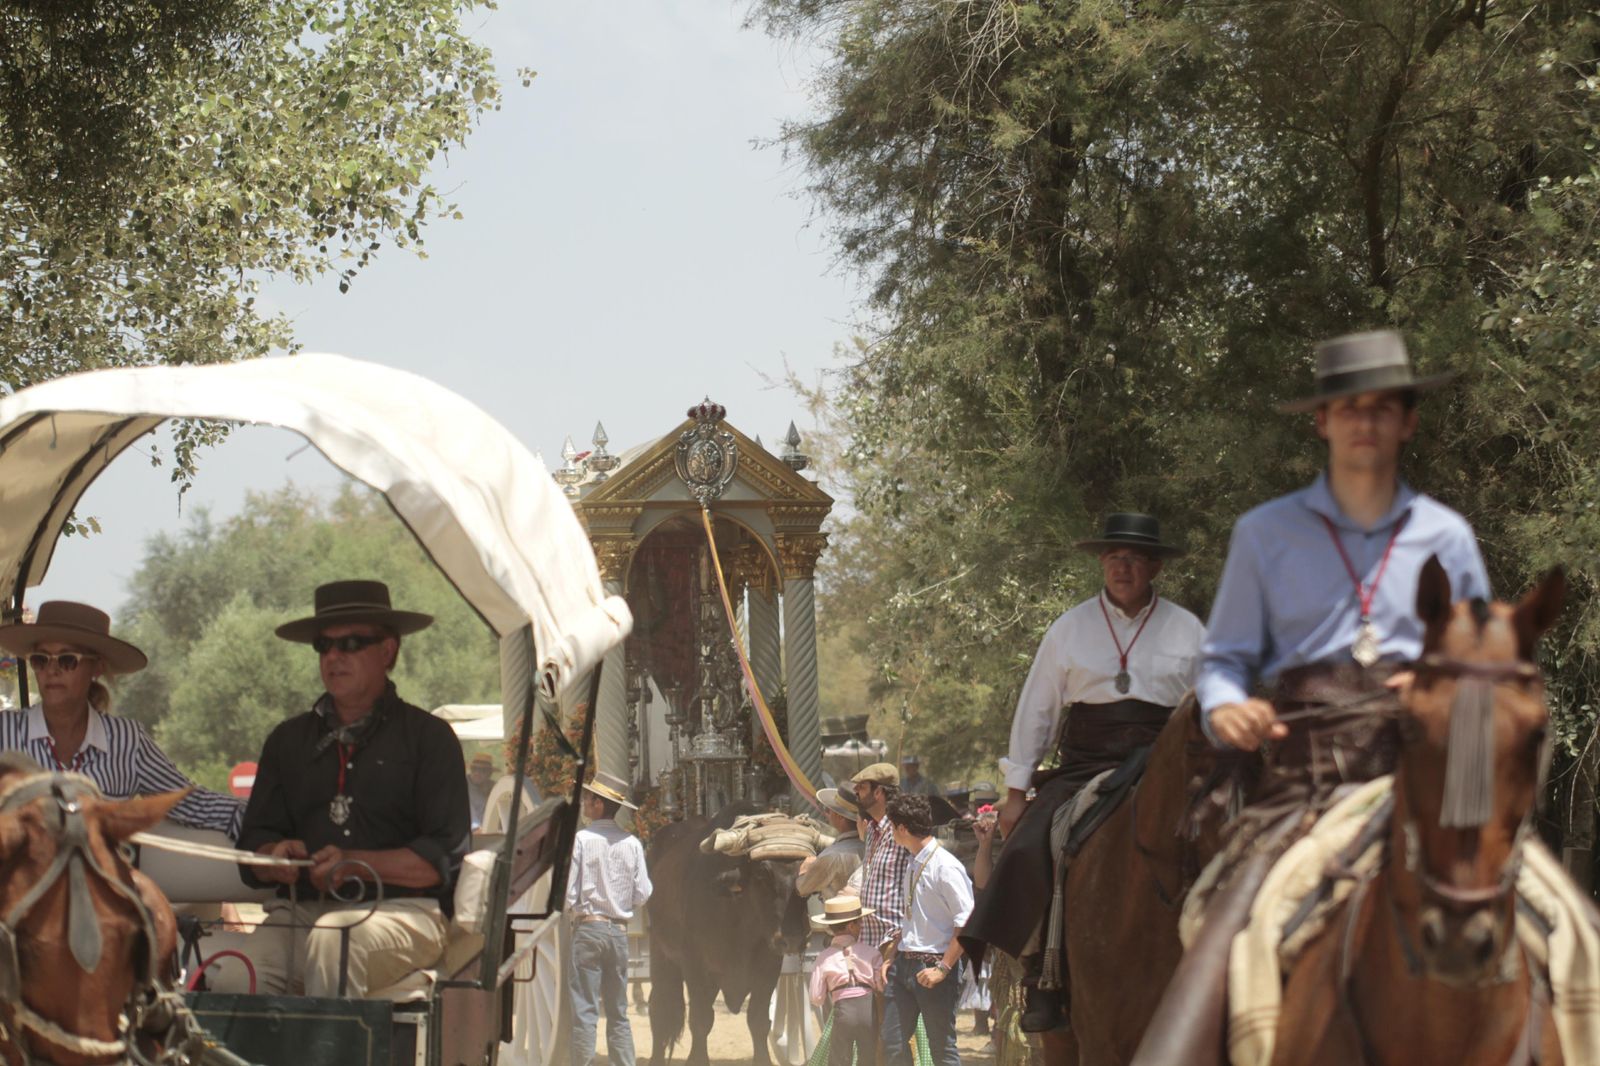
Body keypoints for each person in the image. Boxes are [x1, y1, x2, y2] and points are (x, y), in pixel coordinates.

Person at [1139, 330, 1491, 1057]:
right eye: (1349, 408)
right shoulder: (1265, 534)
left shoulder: (1448, 537)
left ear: (1408, 420)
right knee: (1215, 930)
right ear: (1322, 422)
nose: (1366, 421)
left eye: (1383, 407)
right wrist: (1227, 703)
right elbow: (1224, 662)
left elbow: (1483, 674)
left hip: (1426, 781)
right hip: (1303, 785)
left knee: (1567, 931)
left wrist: (1439, 683)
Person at [963, 512, 1203, 1031]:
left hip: (1169, 758)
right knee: (1027, 846)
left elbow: (1215, 706)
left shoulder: (1189, 628)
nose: (1123, 567)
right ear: (1101, 562)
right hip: (1088, 759)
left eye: (1135, 558)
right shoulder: (1068, 628)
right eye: (1115, 557)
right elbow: (1039, 711)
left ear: (1154, 567)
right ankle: (1039, 976)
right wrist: (1016, 792)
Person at [214, 580, 471, 998]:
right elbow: (254, 845)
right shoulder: (287, 740)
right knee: (232, 981)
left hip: (405, 914)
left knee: (335, 940)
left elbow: (438, 861)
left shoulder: (430, 738)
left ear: (387, 651)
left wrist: (352, 863)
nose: (333, 657)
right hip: (299, 914)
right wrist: (274, 858)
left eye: (350, 643)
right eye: (323, 645)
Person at [0, 600, 243, 837]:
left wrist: (264, 821)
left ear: (96, 669)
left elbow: (194, 804)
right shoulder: (4, 732)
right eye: (40, 660)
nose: (51, 671)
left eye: (67, 660)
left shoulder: (127, 740)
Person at [566, 771, 651, 1066]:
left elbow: (569, 892)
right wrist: (621, 904)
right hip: (617, 931)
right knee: (618, 1012)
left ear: (599, 804)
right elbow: (643, 893)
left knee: (585, 1011)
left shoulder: (582, 840)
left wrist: (577, 908)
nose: (586, 803)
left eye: (589, 799)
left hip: (589, 928)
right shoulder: (632, 843)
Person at [883, 794, 974, 1066]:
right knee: (892, 1044)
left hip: (935, 967)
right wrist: (891, 955)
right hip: (904, 965)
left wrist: (943, 969)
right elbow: (916, 918)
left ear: (901, 828)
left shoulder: (946, 866)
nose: (890, 832)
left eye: (891, 826)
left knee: (941, 1048)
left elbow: (967, 922)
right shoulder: (914, 861)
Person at [810, 895, 885, 1066]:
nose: (861, 926)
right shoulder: (872, 953)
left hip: (843, 1013)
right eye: (859, 922)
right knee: (868, 1057)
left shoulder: (823, 958)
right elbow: (881, 985)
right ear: (851, 926)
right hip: (868, 1012)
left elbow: (816, 997)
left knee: (840, 1058)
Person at [797, 787, 866, 902]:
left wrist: (805, 870)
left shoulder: (830, 855)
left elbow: (803, 888)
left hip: (841, 917)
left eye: (830, 810)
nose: (827, 813)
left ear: (840, 817)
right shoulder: (874, 845)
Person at [467, 752, 495, 829]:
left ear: (489, 774)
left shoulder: (493, 787)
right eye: (474, 769)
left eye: (483, 770)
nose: (477, 773)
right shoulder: (462, 785)